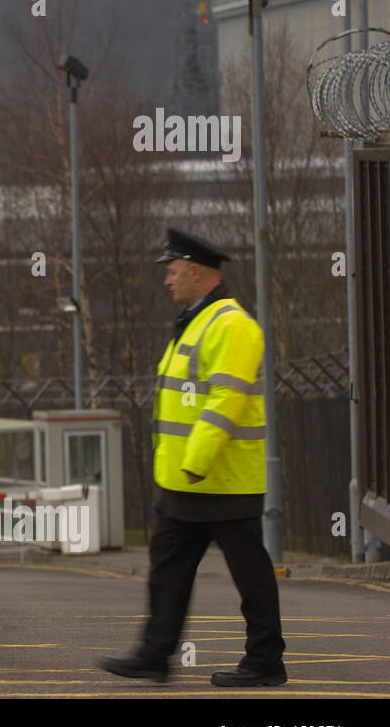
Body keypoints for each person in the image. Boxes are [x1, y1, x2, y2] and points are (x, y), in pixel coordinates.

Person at [100, 227, 286, 686]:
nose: (167, 279)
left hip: (220, 479)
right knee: (167, 572)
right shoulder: (196, 321)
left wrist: (196, 462)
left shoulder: (231, 324)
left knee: (250, 575)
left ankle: (266, 663)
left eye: (173, 270)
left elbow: (225, 400)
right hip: (186, 482)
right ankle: (154, 656)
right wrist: (179, 470)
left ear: (196, 271)